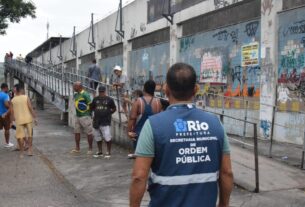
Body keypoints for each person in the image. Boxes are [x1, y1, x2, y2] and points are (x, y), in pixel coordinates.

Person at [129, 63, 233, 207]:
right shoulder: (216, 124)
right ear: (196, 89)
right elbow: (226, 172)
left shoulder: (153, 125)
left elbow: (139, 177)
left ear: (166, 89)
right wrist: (223, 204)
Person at [127, 80, 161, 158]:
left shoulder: (139, 101)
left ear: (144, 89)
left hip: (140, 134)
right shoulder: (157, 102)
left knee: (140, 159)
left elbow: (132, 118)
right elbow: (159, 119)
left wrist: (128, 131)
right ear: (154, 90)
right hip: (153, 134)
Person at [11, 84, 37, 157]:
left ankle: (22, 153)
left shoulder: (13, 100)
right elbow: (30, 108)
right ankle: (30, 150)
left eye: (14, 89)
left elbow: (12, 112)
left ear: (16, 90)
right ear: (21, 90)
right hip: (28, 119)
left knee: (20, 137)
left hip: (19, 120)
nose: (13, 90)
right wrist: (35, 118)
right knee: (30, 135)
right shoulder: (26, 97)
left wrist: (11, 121)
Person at [90, 85, 116, 158]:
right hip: (96, 121)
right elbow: (91, 108)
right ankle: (100, 151)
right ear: (98, 92)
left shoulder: (109, 99)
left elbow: (114, 108)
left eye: (102, 92)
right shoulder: (95, 99)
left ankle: (108, 152)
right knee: (97, 137)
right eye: (100, 92)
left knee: (107, 136)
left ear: (105, 92)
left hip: (105, 121)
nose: (101, 93)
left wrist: (109, 113)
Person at [72, 81, 94, 155]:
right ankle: (77, 148)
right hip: (78, 116)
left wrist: (89, 113)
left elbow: (90, 105)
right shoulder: (76, 95)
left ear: (79, 87)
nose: (73, 87)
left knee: (89, 132)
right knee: (76, 132)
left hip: (85, 116)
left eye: (75, 86)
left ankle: (90, 148)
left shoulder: (85, 94)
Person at [0, 83, 14, 148]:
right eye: (7, 88)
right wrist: (10, 105)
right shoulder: (5, 95)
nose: (7, 89)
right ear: (5, 88)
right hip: (4, 115)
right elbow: (6, 104)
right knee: (7, 129)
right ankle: (7, 143)